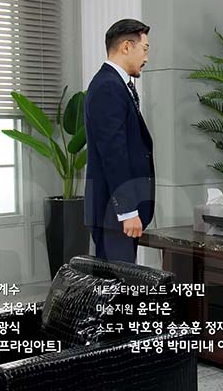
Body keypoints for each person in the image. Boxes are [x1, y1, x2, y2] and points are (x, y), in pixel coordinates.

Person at [84, 19, 154, 263]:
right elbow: (113, 154)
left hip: (114, 213)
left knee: (121, 279)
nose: (146, 58)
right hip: (112, 213)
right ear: (126, 47)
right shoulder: (108, 86)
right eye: (145, 49)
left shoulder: (117, 84)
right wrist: (127, 210)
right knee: (117, 281)